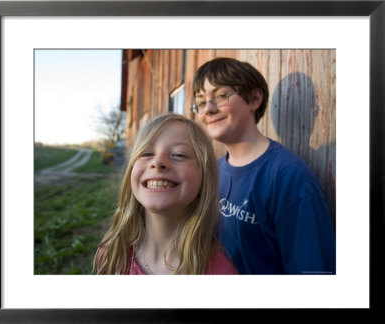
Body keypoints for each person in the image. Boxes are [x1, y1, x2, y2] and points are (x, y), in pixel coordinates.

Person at [192, 57, 336, 274]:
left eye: (221, 96)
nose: (208, 109)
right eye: (201, 102)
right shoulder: (212, 172)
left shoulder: (289, 177)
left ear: (254, 98)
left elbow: (312, 273)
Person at [94, 113, 237, 275]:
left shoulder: (219, 273)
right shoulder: (112, 254)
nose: (158, 162)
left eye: (178, 155)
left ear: (204, 178)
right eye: (146, 154)